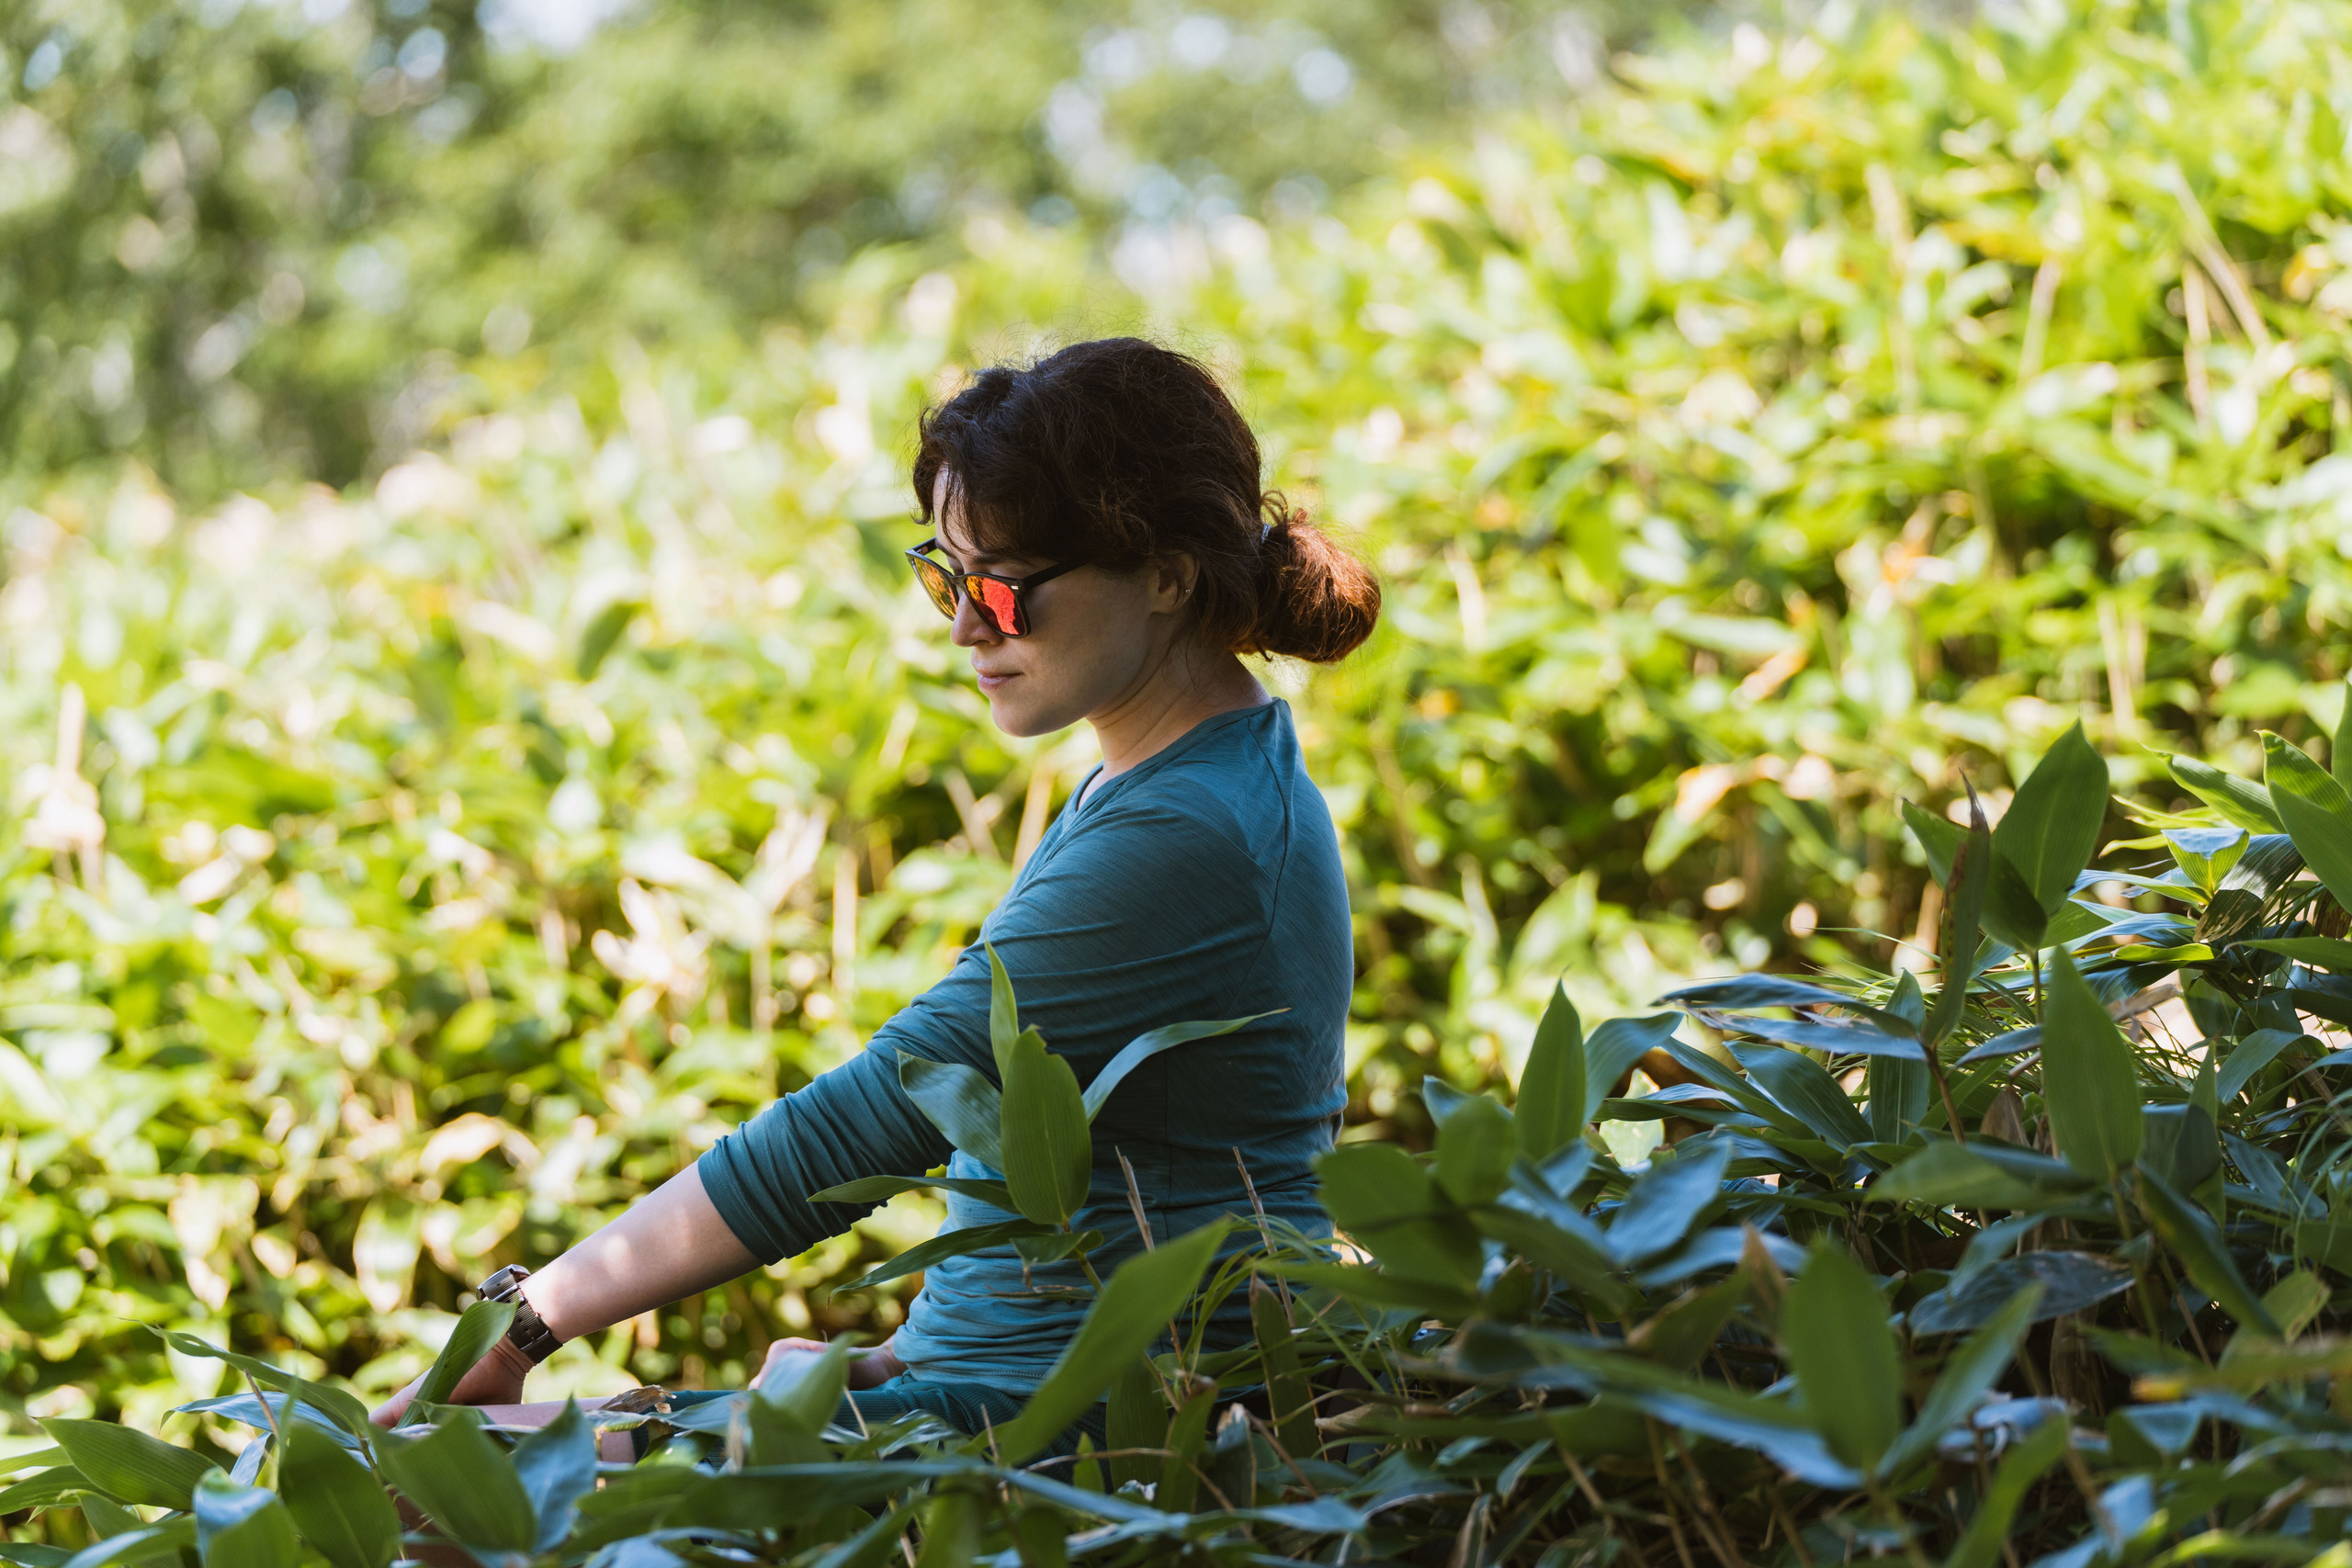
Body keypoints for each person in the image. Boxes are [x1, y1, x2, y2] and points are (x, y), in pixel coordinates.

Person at [368, 336, 1381, 1455]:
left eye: (1003, 588)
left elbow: (878, 1115)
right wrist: (906, 1346)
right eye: (947, 578)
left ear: (1167, 575)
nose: (963, 628)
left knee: (411, 1479)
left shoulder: (1189, 833)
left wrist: (519, 1327)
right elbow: (1110, 1155)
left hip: (1075, 1424)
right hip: (997, 1380)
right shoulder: (1170, 779)